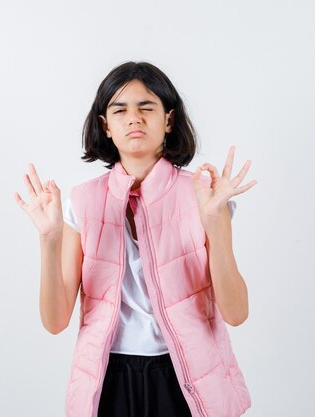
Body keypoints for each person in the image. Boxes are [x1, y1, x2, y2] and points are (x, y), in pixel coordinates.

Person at [14, 61, 257, 417]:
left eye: (147, 108)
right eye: (120, 109)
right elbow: (54, 322)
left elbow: (236, 313)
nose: (134, 118)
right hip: (109, 377)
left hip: (185, 375)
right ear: (105, 126)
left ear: (169, 121)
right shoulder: (82, 202)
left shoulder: (205, 196)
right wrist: (49, 240)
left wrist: (214, 221)